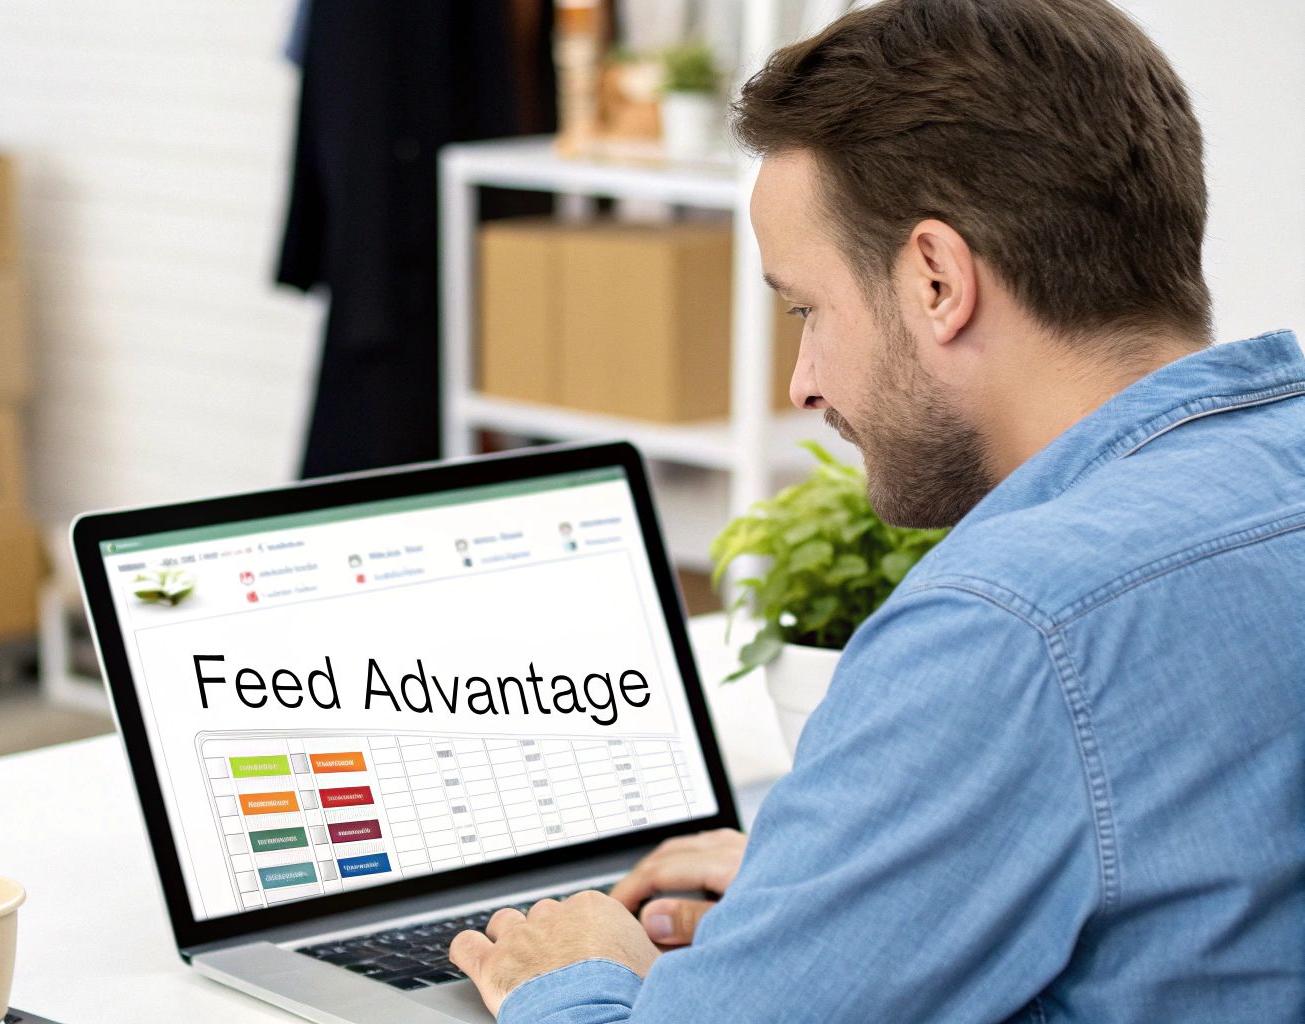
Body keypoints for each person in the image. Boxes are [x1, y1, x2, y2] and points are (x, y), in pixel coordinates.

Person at [448, 1, 1305, 1020]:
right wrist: (835, 887)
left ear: (936, 279)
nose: (803, 381)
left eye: (806, 308)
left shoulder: (1008, 627)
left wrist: (570, 973)